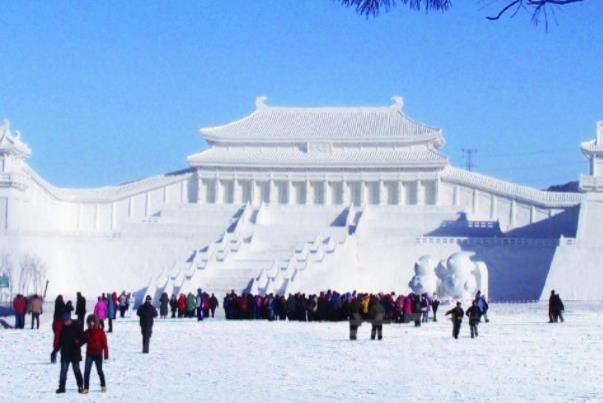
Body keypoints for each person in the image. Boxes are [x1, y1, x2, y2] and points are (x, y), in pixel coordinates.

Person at [55, 313, 84, 394]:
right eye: (64, 321)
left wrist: (78, 342)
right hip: (65, 353)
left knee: (76, 370)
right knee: (63, 370)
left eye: (66, 321)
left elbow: (83, 338)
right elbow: (60, 340)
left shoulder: (77, 326)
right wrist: (56, 349)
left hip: (75, 353)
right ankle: (61, 387)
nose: (65, 323)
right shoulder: (63, 328)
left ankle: (81, 386)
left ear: (69, 320)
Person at [81, 314, 108, 393]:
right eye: (89, 322)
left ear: (95, 322)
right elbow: (83, 340)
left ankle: (103, 385)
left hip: (98, 354)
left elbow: (104, 344)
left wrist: (106, 354)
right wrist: (77, 343)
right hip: (89, 354)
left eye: (92, 322)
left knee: (99, 370)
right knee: (86, 371)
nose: (91, 323)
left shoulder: (100, 332)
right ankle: (86, 388)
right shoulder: (87, 332)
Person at [51, 295, 66, 363]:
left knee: (57, 339)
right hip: (60, 323)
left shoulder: (56, 304)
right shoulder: (62, 305)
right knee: (61, 340)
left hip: (56, 323)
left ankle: (55, 353)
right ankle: (57, 354)